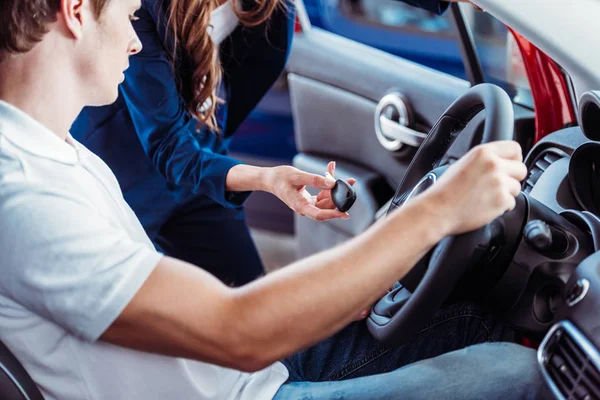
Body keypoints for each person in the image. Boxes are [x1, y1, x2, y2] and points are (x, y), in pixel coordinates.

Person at [0, 0, 547, 399]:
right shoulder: (26, 197)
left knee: (471, 321)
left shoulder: (57, 150)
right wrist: (439, 209)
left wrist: (336, 290)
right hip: (240, 386)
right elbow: (236, 330)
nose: (135, 38)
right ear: (75, 11)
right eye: (126, 12)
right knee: (524, 375)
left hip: (238, 374)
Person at [69, 0, 471, 286]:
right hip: (128, 179)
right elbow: (169, 149)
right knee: (142, 332)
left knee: (247, 307)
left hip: (207, 168)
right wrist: (267, 179)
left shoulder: (269, 9)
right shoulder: (145, 10)